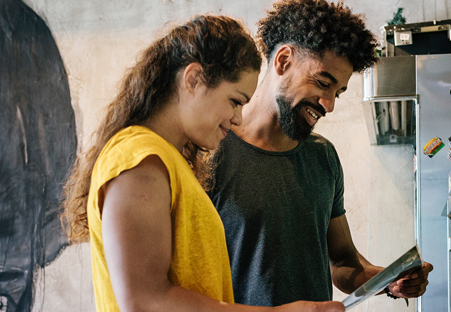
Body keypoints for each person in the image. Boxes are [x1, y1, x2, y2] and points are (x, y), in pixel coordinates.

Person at [61, 15, 345, 312]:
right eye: (235, 101)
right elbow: (144, 301)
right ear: (193, 79)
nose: (237, 117)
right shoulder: (140, 158)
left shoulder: (170, 161)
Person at [209, 0, 434, 307]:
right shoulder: (210, 152)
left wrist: (389, 281)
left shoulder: (323, 158)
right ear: (284, 60)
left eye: (338, 92)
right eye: (322, 83)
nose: (329, 104)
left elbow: (342, 261)